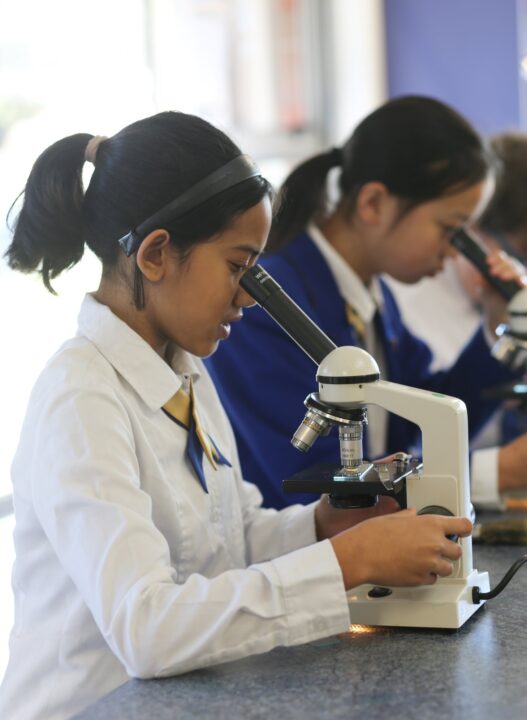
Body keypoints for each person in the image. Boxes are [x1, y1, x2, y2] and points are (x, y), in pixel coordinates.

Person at [0, 111, 472, 720]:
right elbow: (147, 628)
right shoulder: (81, 400)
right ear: (155, 255)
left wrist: (326, 526)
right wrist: (349, 562)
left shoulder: (185, 370)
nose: (249, 295)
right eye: (237, 266)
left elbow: (233, 537)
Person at [206, 96, 525, 511]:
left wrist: (495, 327)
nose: (456, 254)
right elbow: (320, 482)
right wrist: (497, 471)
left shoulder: (370, 294)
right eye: (451, 230)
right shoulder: (269, 305)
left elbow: (426, 416)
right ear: (373, 203)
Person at [387, 131, 527, 506]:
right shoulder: (404, 305)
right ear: (473, 232)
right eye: (520, 253)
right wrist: (502, 469)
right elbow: (412, 445)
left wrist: (501, 324)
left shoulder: (498, 306)